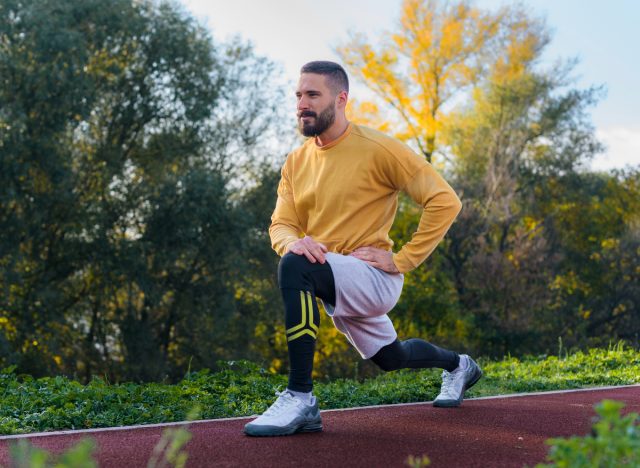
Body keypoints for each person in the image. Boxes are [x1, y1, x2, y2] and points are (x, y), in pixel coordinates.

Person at [244, 61, 482, 437]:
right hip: (334, 276)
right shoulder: (296, 161)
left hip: (372, 275)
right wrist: (294, 241)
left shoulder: (378, 148)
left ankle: (300, 395)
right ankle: (459, 365)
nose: (302, 104)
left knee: (295, 267)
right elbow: (281, 224)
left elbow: (444, 200)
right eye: (298, 95)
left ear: (341, 99)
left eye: (312, 95)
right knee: (392, 357)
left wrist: (402, 259)